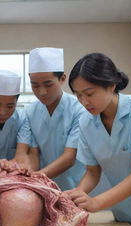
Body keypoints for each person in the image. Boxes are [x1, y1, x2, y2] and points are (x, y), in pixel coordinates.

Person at [67, 52, 131, 226]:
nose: (84, 102)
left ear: (111, 85)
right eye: (78, 95)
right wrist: (78, 195)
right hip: (124, 218)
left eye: (89, 93)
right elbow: (92, 172)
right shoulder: (86, 122)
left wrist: (96, 203)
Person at [26, 47, 85, 190]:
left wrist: (35, 179)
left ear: (62, 79)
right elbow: (34, 153)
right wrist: (30, 178)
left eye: (48, 84)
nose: (42, 92)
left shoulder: (79, 110)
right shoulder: (30, 111)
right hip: (44, 187)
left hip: (77, 185)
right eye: (35, 85)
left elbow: (69, 157)